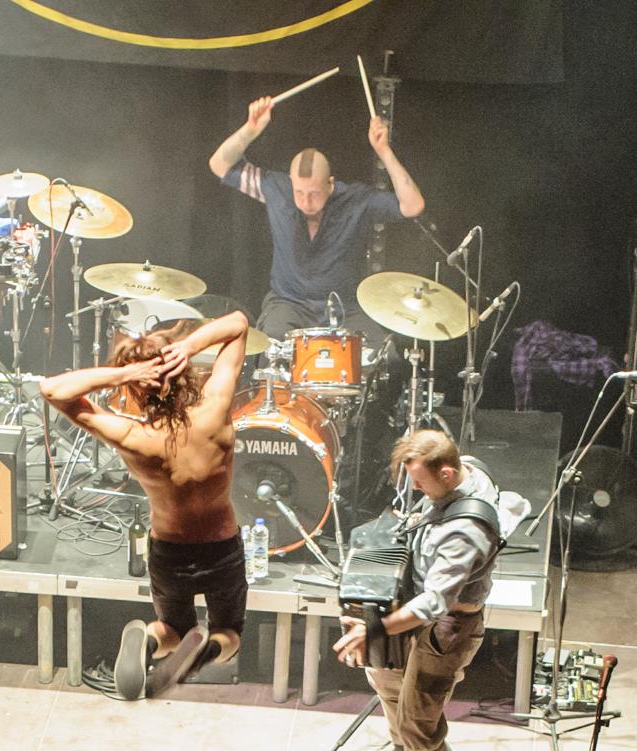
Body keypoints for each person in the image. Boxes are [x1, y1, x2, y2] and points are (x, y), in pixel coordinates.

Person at [40, 311, 250, 700]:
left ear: (138, 391)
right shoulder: (215, 408)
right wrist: (187, 347)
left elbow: (52, 389)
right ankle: (205, 651)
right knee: (229, 633)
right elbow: (238, 323)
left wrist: (124, 374)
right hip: (221, 549)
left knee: (171, 630)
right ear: (182, 374)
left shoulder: (132, 436)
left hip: (170, 553)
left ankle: (149, 643)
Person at [334, 429, 502, 751]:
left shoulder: (466, 531)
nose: (418, 491)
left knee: (419, 723)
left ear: (446, 473)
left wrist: (373, 629)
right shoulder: (468, 470)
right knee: (384, 676)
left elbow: (435, 602)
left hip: (447, 629)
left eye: (422, 483)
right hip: (419, 613)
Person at [209, 99, 424, 338]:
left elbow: (413, 206)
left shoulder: (355, 200)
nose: (305, 201)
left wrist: (384, 151)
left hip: (345, 306)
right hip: (288, 302)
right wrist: (250, 129)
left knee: (382, 354)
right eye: (299, 192)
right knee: (271, 346)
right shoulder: (276, 189)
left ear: (330, 183)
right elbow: (219, 165)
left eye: (314, 193)